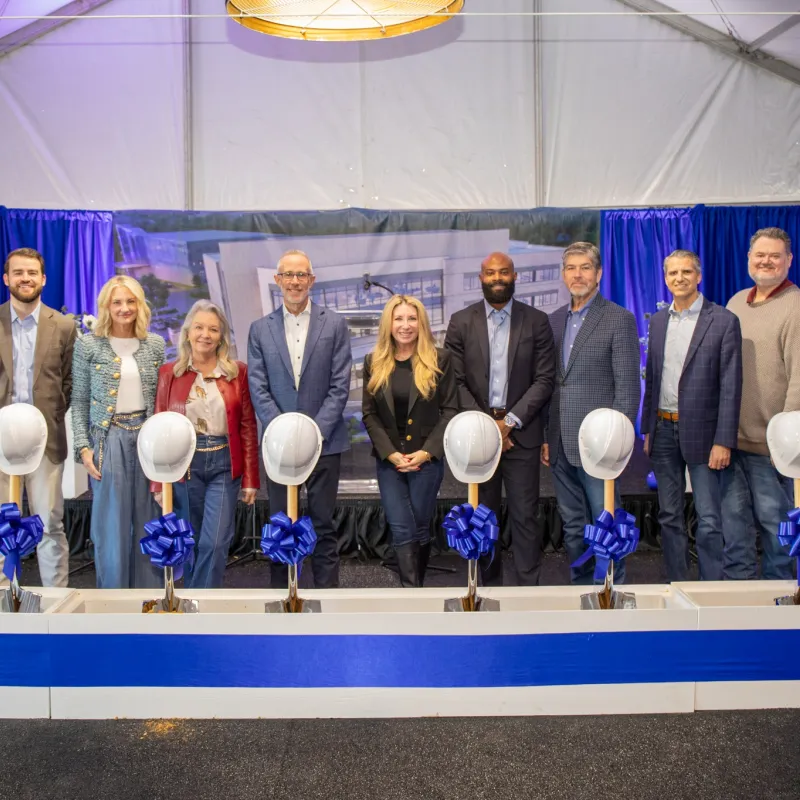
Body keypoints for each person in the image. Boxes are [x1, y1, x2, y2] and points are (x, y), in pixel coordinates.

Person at [445, 252, 556, 586]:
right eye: (490, 273)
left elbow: (544, 380)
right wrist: (488, 428)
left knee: (525, 517)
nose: (497, 278)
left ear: (514, 276)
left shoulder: (537, 321)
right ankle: (488, 588)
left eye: (504, 272)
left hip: (521, 435)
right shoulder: (460, 322)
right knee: (483, 517)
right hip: (478, 436)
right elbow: (454, 381)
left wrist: (508, 424)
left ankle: (527, 592)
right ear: (481, 278)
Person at [247, 249, 352, 589]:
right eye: (288, 275)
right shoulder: (259, 329)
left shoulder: (334, 324)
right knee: (281, 524)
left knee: (323, 525)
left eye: (301, 274)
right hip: (277, 447)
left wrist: (312, 434)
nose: (295, 281)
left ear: (312, 280)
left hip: (325, 443)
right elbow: (258, 386)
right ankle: (283, 597)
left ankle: (328, 600)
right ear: (277, 280)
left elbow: (340, 385)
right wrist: (283, 434)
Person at [543, 242, 640, 585]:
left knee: (607, 523)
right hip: (560, 442)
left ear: (598, 273)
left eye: (585, 267)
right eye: (571, 268)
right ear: (563, 274)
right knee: (573, 527)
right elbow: (551, 384)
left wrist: (618, 443)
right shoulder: (553, 321)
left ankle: (611, 592)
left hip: (601, 445)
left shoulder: (619, 318)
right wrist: (546, 437)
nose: (578, 274)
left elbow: (628, 387)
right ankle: (581, 591)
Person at [642, 250, 742, 582]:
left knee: (709, 517)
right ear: (665, 278)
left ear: (698, 276)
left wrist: (723, 441)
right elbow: (652, 379)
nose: (679, 278)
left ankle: (711, 587)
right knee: (669, 515)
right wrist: (648, 430)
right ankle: (677, 584)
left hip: (705, 436)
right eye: (673, 273)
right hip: (662, 430)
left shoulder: (723, 320)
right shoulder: (658, 322)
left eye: (686, 272)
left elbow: (731, 387)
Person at [153, 300, 259, 588]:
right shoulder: (169, 373)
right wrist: (157, 483)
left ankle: (200, 602)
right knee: (190, 540)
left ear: (221, 336)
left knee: (215, 541)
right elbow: (158, 430)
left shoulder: (237, 372)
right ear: (188, 332)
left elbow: (247, 426)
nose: (205, 335)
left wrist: (251, 478)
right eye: (199, 327)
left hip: (224, 464)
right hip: (184, 465)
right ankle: (194, 601)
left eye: (213, 329)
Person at [71, 275, 164, 589]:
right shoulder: (88, 345)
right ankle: (112, 602)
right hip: (107, 441)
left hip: (147, 441)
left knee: (149, 521)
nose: (125, 308)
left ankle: (149, 601)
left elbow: (162, 398)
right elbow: (79, 399)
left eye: (130, 301)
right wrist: (83, 447)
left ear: (140, 305)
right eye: (117, 302)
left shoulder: (155, 344)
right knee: (111, 527)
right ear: (106, 307)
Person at [721, 227, 800, 580]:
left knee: (777, 532)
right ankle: (738, 601)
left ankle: (779, 602)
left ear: (789, 260)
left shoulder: (796, 306)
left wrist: (787, 443)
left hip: (773, 449)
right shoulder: (736, 302)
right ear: (749, 259)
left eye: (774, 255)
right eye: (760, 255)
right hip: (731, 443)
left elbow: (799, 378)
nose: (766, 261)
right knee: (734, 533)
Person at [362, 295, 457, 587]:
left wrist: (427, 452)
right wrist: (389, 453)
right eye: (399, 319)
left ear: (421, 323)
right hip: (389, 461)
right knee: (402, 527)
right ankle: (412, 594)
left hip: (426, 461)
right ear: (388, 324)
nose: (406, 325)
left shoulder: (440, 359)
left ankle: (416, 591)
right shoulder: (373, 361)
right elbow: (369, 414)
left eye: (412, 319)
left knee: (419, 527)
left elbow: (450, 410)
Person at [0, 247, 76, 587]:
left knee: (49, 525)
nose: (25, 278)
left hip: (46, 442)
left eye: (32, 273)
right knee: (1, 525)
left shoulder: (63, 326)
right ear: (6, 279)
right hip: (0, 443)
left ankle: (55, 603)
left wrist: (52, 416)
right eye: (18, 272)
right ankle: (3, 602)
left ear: (43, 279)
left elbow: (68, 381)